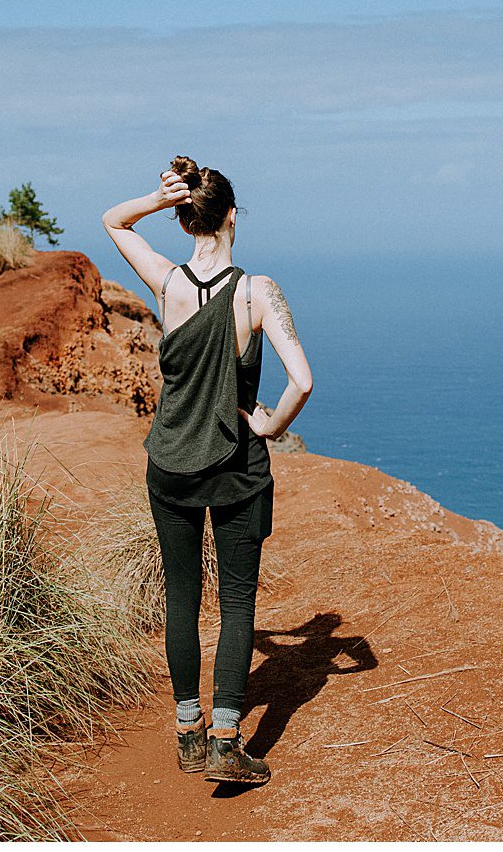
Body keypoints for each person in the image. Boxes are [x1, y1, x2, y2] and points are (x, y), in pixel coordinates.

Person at [101, 156, 313, 786]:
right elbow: (302, 382)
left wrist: (158, 199)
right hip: (236, 467)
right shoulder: (256, 292)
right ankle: (226, 741)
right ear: (232, 217)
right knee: (237, 600)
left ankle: (187, 733)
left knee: (182, 598)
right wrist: (269, 426)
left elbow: (113, 221)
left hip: (169, 463)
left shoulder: (165, 283)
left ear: (186, 219)